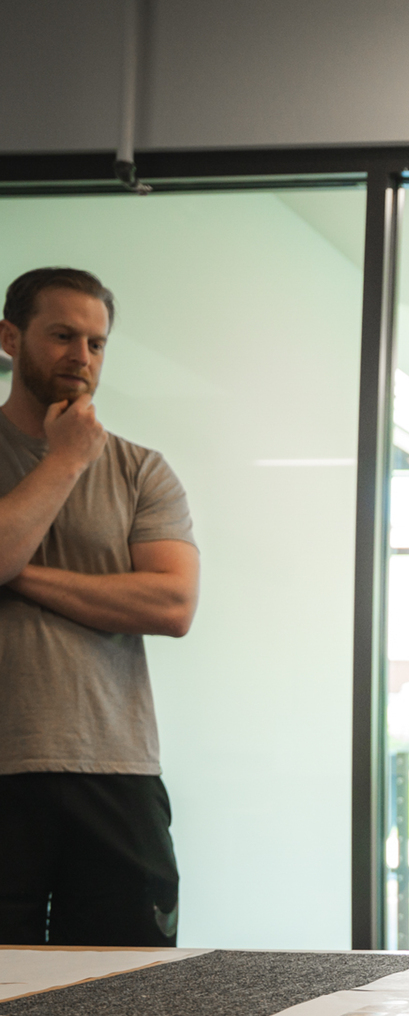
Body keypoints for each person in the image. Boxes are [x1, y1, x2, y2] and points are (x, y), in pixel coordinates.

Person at [0, 268, 200, 946]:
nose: (81, 358)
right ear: (9, 338)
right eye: (61, 336)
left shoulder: (142, 469)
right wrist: (62, 462)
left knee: (128, 997)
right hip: (5, 766)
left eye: (96, 343)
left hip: (116, 769)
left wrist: (18, 577)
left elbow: (172, 603)